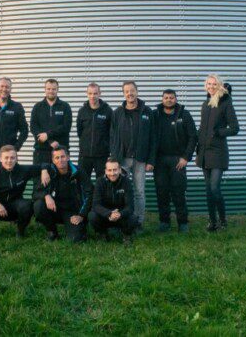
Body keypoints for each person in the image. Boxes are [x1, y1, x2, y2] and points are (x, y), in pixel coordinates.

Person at [110, 81, 157, 230]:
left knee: (139, 192)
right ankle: (120, 220)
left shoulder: (147, 112)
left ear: (137, 91)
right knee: (120, 191)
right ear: (123, 93)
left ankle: (138, 222)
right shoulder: (117, 113)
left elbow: (154, 138)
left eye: (132, 90)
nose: (129, 94)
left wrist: (151, 160)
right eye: (126, 91)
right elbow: (112, 136)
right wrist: (115, 158)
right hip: (122, 159)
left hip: (140, 159)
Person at [0, 145, 50, 237]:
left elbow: (44, 164)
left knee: (27, 206)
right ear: (0, 159)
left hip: (15, 205)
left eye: (12, 158)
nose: (9, 161)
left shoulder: (23, 170)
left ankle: (20, 230)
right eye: (6, 158)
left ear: (16, 159)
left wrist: (44, 170)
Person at [196, 74, 239, 232]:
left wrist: (218, 132)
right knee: (208, 189)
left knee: (214, 187)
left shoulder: (226, 103)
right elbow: (202, 129)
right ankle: (212, 221)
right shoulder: (204, 104)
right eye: (209, 84)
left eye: (215, 84)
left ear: (219, 85)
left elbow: (235, 128)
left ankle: (222, 219)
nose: (211, 86)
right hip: (204, 153)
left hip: (218, 152)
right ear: (205, 86)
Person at [153, 89, 197, 233]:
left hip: (178, 160)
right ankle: (164, 222)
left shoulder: (184, 114)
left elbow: (193, 137)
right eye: (166, 97)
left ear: (176, 99)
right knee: (162, 192)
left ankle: (182, 222)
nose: (169, 100)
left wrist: (186, 157)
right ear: (162, 99)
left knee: (178, 192)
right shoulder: (155, 115)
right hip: (160, 161)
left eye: (172, 97)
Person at [32, 146, 93, 242]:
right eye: (57, 158)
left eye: (63, 156)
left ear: (68, 157)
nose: (60, 160)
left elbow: (89, 194)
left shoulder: (78, 171)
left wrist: (81, 215)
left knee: (75, 239)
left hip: (72, 211)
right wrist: (46, 195)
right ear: (53, 160)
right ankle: (52, 232)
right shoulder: (49, 172)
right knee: (38, 206)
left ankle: (79, 230)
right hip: (54, 209)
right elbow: (36, 192)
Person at [89, 158, 139, 244]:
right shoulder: (99, 182)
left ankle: (126, 235)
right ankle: (102, 234)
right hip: (105, 216)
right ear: (105, 171)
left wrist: (120, 214)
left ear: (120, 170)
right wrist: (109, 213)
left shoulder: (126, 182)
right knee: (92, 216)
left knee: (133, 218)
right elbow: (96, 205)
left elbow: (130, 206)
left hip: (121, 216)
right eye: (109, 170)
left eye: (115, 170)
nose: (112, 173)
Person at [30, 78, 72, 164]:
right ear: (45, 90)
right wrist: (50, 141)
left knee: (61, 177)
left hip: (60, 151)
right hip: (41, 151)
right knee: (40, 177)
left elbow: (66, 127)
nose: (51, 91)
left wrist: (48, 135)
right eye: (48, 89)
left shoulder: (65, 106)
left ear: (57, 90)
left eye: (53, 89)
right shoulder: (37, 107)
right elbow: (33, 127)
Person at [76, 82, 113, 180]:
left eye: (95, 93)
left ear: (100, 93)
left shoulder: (108, 111)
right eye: (90, 93)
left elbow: (111, 133)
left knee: (102, 183)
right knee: (83, 183)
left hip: (102, 155)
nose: (92, 96)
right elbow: (79, 131)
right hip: (84, 155)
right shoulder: (82, 111)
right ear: (87, 94)